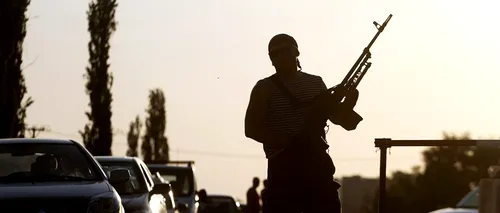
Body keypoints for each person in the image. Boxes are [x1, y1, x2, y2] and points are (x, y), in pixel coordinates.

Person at [244, 33, 359, 213]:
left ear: (295, 52)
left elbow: (338, 118)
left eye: (285, 51)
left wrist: (349, 102)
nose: (280, 57)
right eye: (275, 54)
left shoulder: (315, 82)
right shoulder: (264, 88)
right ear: (271, 59)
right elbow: (251, 128)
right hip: (284, 167)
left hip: (316, 163)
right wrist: (287, 141)